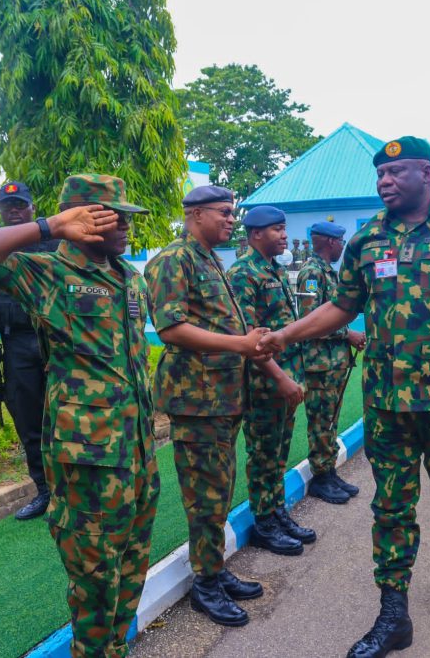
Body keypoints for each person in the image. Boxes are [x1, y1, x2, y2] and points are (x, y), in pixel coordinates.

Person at [259, 136, 430, 658]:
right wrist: (287, 334)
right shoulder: (367, 238)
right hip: (386, 403)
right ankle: (393, 614)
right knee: (391, 508)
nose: (385, 182)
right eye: (380, 175)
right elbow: (341, 305)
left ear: (425, 172)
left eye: (396, 172)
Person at [0, 174, 157, 656]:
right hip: (90, 460)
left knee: (131, 570)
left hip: (138, 451)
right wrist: (50, 226)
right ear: (84, 217)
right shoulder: (46, 273)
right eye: (114, 215)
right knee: (94, 582)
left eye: (126, 216)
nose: (126, 225)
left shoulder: (130, 278)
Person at [144, 185, 270, 628]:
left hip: (221, 395)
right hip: (197, 399)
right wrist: (240, 342)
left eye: (232, 213)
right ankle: (205, 584)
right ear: (195, 214)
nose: (232, 220)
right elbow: (172, 328)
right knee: (204, 495)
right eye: (224, 212)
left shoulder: (209, 259)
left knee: (218, 489)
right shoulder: (173, 260)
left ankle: (214, 568)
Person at [228, 206, 312, 555]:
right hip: (265, 383)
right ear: (255, 234)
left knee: (278, 452)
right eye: (276, 229)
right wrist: (280, 378)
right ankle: (263, 521)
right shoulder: (243, 273)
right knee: (263, 453)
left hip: (284, 380)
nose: (283, 235)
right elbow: (251, 337)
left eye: (284, 229)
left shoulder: (273, 270)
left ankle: (276, 511)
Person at [0, 181, 58, 520]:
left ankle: (71, 488)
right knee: (28, 418)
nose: (14, 210)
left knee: (65, 414)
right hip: (17, 343)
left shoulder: (52, 241)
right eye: (8, 205)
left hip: (54, 341)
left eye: (19, 204)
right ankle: (44, 491)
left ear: (31, 208)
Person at [296, 221, 366, 504]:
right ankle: (320, 477)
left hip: (333, 362)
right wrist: (347, 333)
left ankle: (328, 471)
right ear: (327, 241)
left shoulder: (327, 272)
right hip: (320, 364)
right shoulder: (312, 273)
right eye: (339, 241)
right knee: (320, 421)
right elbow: (309, 320)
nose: (342, 245)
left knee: (330, 420)